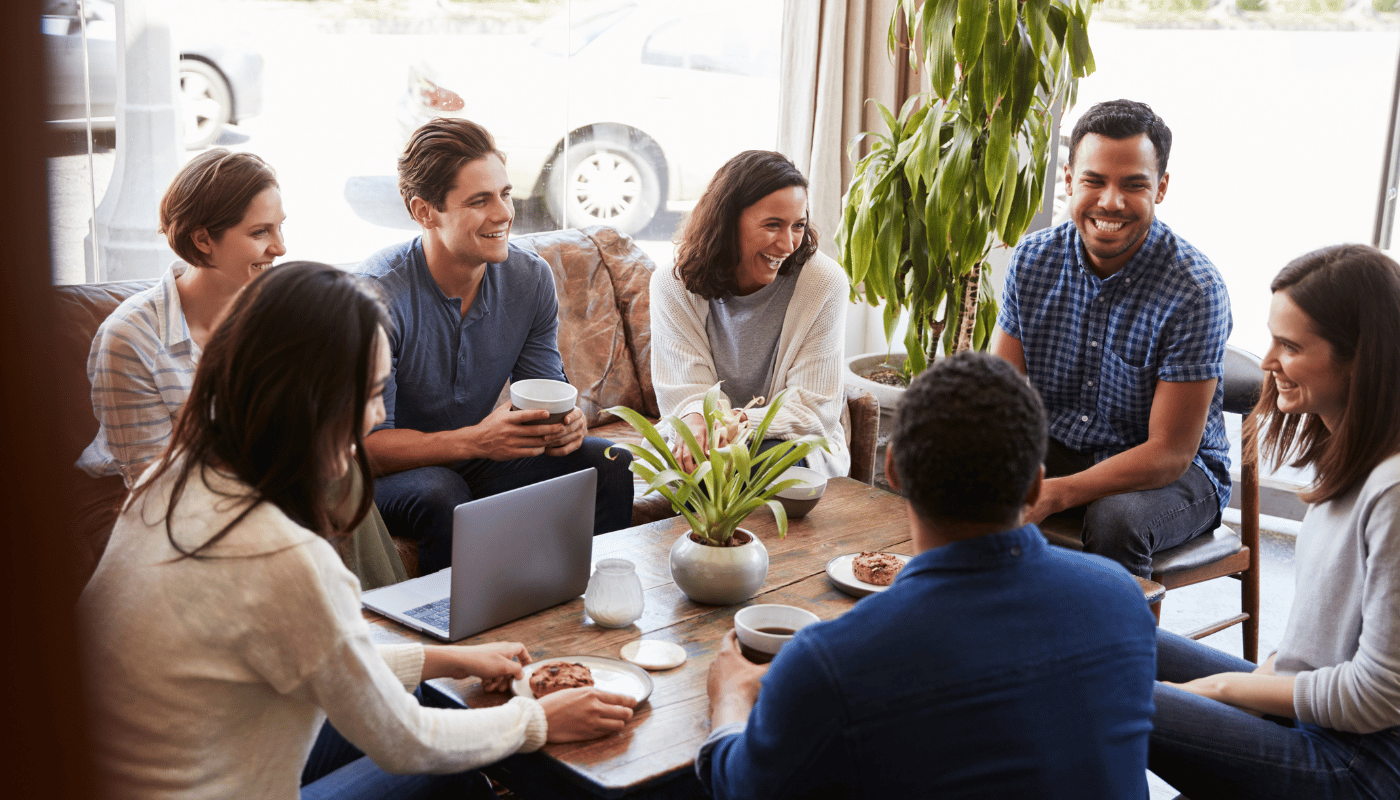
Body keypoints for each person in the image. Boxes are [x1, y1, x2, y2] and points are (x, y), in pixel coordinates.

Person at [79, 263, 638, 800]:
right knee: (456, 774)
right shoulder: (280, 553)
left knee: (433, 696)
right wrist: (534, 719)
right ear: (310, 400)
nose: (375, 417)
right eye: (370, 393)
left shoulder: (172, 476)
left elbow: (322, 656)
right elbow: (405, 743)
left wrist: (452, 659)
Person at [697, 351, 1157, 799]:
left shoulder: (832, 662)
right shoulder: (1122, 596)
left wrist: (733, 695)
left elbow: (743, 786)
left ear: (892, 467)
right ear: (1036, 483)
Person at [77, 148, 405, 589]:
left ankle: (382, 620)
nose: (281, 247)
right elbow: (155, 485)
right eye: (260, 232)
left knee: (342, 466)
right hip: (139, 497)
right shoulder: (132, 338)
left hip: (248, 473)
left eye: (280, 226)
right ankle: (372, 632)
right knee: (328, 475)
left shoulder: (273, 311)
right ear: (203, 240)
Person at [1149, 244, 1400, 799]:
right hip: (1315, 716)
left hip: (1361, 764)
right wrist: (1234, 692)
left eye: (1289, 345)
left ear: (1361, 358)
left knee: (1103, 695)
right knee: (1110, 632)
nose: (1265, 361)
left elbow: (1379, 696)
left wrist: (1221, 689)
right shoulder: (1352, 455)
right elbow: (1312, 655)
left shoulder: (1394, 490)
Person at [359, 118, 633, 575]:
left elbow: (546, 392)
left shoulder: (529, 278)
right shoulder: (376, 296)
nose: (504, 213)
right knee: (440, 493)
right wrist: (475, 440)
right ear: (425, 211)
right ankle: (453, 639)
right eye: (479, 201)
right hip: (392, 476)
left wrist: (568, 426)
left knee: (608, 462)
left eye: (505, 194)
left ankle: (591, 608)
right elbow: (367, 448)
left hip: (474, 457)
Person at [990, 99, 1233, 577]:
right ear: (1069, 180)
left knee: (1115, 520)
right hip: (1059, 444)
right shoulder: (1033, 259)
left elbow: (1170, 453)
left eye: (1134, 185)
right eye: (1094, 181)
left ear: (1161, 188)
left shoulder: (1196, 290)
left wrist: (1057, 490)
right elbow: (999, 395)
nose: (1111, 202)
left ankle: (1107, 649)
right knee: (954, 468)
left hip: (1177, 472)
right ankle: (986, 632)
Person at [650, 150, 848, 477]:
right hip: (708, 439)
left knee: (752, 467)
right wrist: (697, 422)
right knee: (697, 466)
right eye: (773, 225)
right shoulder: (673, 282)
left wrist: (736, 425)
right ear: (727, 222)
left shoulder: (823, 283)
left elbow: (813, 412)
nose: (788, 245)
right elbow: (684, 389)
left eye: (798, 226)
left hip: (789, 442)